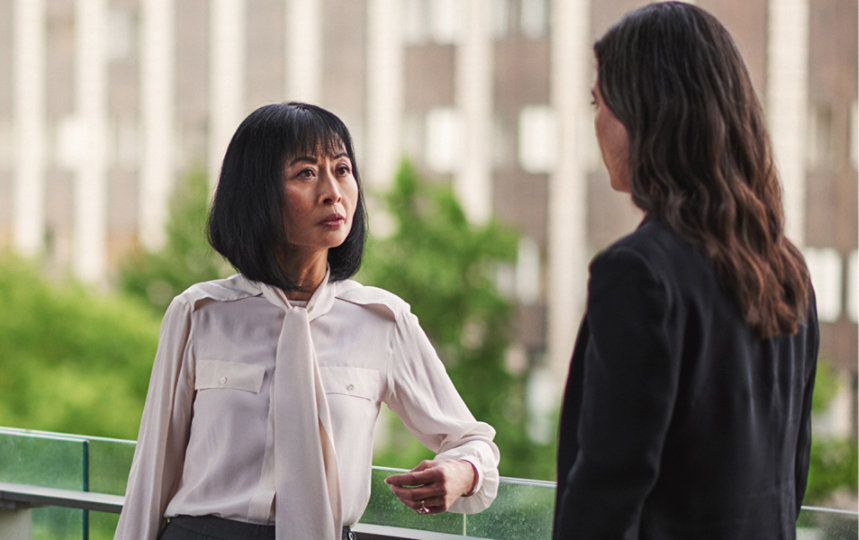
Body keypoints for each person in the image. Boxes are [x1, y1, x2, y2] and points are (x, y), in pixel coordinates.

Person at [115, 102, 499, 540]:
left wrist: (462, 472)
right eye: (306, 173)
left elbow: (474, 441)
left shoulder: (382, 322)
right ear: (257, 193)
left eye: (342, 169)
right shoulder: (200, 315)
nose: (333, 192)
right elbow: (151, 471)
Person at [553, 3, 819, 539]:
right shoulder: (787, 269)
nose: (596, 123)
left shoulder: (638, 273)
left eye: (599, 102)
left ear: (647, 115)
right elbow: (792, 477)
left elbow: (606, 494)